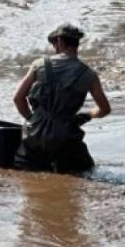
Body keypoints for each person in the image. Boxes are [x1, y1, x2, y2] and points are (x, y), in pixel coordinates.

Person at [13, 24, 111, 174]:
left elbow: (18, 98)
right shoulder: (89, 75)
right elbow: (105, 109)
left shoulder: (39, 65)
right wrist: (88, 115)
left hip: (34, 134)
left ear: (60, 41)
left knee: (26, 170)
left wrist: (32, 119)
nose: (54, 48)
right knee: (85, 170)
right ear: (76, 44)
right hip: (64, 136)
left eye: (54, 44)